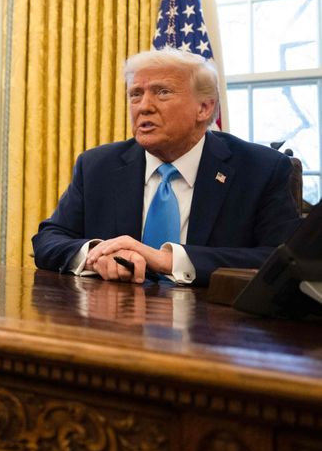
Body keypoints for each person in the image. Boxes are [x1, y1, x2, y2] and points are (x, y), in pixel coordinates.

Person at [32, 47, 301, 287]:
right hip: (115, 325)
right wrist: (97, 254)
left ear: (205, 108)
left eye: (162, 92)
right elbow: (48, 239)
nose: (144, 107)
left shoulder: (261, 169)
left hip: (215, 330)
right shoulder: (98, 165)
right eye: (135, 94)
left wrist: (168, 260)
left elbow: (284, 259)